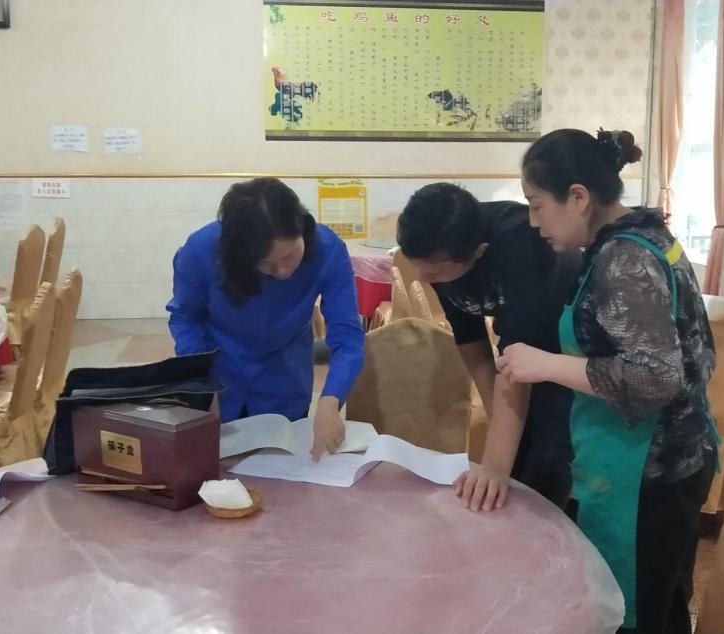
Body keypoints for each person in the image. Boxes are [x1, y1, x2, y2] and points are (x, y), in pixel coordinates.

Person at [495, 128, 718, 634]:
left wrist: (544, 364)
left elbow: (655, 377)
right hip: (671, 456)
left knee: (633, 610)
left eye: (536, 205)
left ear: (578, 197)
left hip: (648, 474)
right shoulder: (645, 237)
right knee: (662, 604)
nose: (533, 222)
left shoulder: (625, 260)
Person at [397, 184, 580, 512]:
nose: (423, 279)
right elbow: (471, 342)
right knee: (512, 444)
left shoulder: (522, 245)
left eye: (433, 271)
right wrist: (497, 420)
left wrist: (495, 466)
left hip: (563, 347)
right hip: (520, 353)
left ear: (479, 252)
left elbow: (518, 360)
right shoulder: (440, 245)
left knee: (548, 456)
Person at [167, 177, 364, 459]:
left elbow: (347, 336)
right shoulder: (201, 251)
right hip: (220, 379)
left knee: (282, 469)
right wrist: (201, 384)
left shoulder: (328, 249)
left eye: (289, 255)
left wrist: (331, 400)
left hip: (285, 380)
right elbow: (186, 318)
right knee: (220, 468)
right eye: (265, 263)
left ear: (302, 229)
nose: (282, 271)